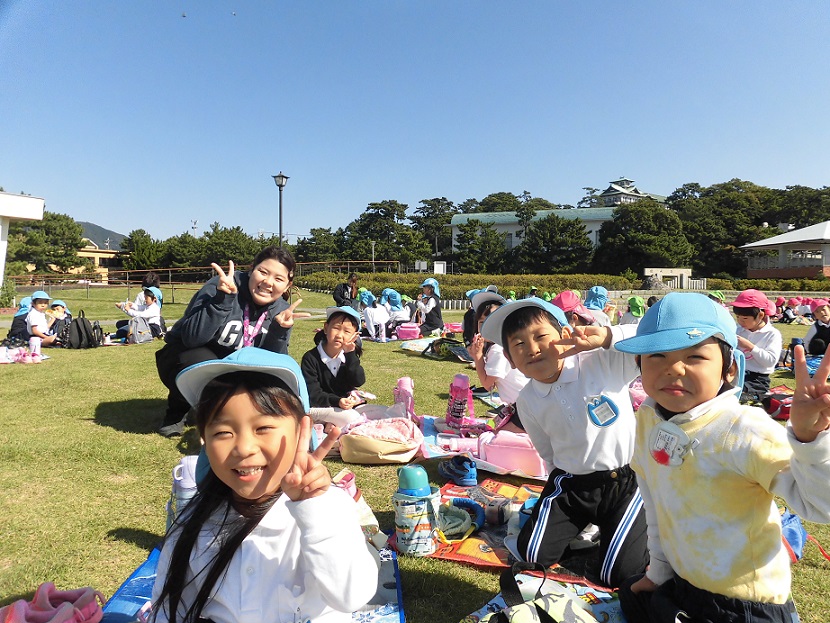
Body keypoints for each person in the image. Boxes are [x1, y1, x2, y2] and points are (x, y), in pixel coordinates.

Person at [614, 292, 830, 623]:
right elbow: (654, 500)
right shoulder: (648, 417)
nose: (673, 368)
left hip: (745, 605)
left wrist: (810, 440)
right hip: (685, 583)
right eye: (656, 355)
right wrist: (658, 572)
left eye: (696, 356)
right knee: (630, 596)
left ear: (729, 369)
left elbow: (820, 505)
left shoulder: (744, 429)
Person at [151, 348, 379, 623]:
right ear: (204, 441)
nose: (244, 448)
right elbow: (167, 610)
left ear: (301, 432)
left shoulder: (331, 508)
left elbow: (352, 596)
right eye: (223, 432)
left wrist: (314, 509)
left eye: (263, 429)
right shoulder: (194, 523)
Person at [480, 299, 647, 587]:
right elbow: (547, 453)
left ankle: (614, 529)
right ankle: (586, 528)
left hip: (627, 482)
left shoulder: (602, 362)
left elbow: (652, 337)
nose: (532, 349)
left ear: (564, 334)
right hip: (571, 486)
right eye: (518, 345)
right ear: (509, 359)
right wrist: (553, 503)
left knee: (617, 576)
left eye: (541, 336)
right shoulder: (527, 400)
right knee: (529, 555)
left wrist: (606, 336)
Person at [155, 247, 307, 437]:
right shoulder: (221, 285)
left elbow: (274, 365)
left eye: (278, 279)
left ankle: (227, 414)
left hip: (238, 371)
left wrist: (278, 331)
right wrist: (222, 301)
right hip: (193, 356)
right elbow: (191, 338)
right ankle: (177, 410)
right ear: (252, 270)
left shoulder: (283, 310)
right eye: (263, 272)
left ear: (287, 285)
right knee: (194, 359)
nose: (268, 282)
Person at [301, 306, 367, 429]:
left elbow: (358, 381)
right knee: (353, 418)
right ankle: (327, 424)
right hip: (318, 407)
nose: (339, 335)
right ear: (326, 328)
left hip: (344, 407)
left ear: (355, 336)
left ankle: (331, 425)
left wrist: (350, 355)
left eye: (347, 332)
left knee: (381, 412)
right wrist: (338, 401)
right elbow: (313, 394)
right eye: (336, 328)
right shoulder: (311, 358)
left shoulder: (348, 356)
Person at [467, 290, 529, 409]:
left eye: (492, 321)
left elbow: (488, 385)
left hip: (525, 408)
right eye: (481, 322)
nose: (486, 327)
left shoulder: (498, 349)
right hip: (523, 404)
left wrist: (478, 357)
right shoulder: (504, 344)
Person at [731, 289, 782, 403]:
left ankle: (760, 397)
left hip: (757, 380)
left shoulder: (772, 334)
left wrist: (750, 347)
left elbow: (770, 361)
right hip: (737, 373)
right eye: (737, 317)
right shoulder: (738, 330)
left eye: (744, 318)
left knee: (741, 396)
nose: (740, 322)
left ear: (760, 315)